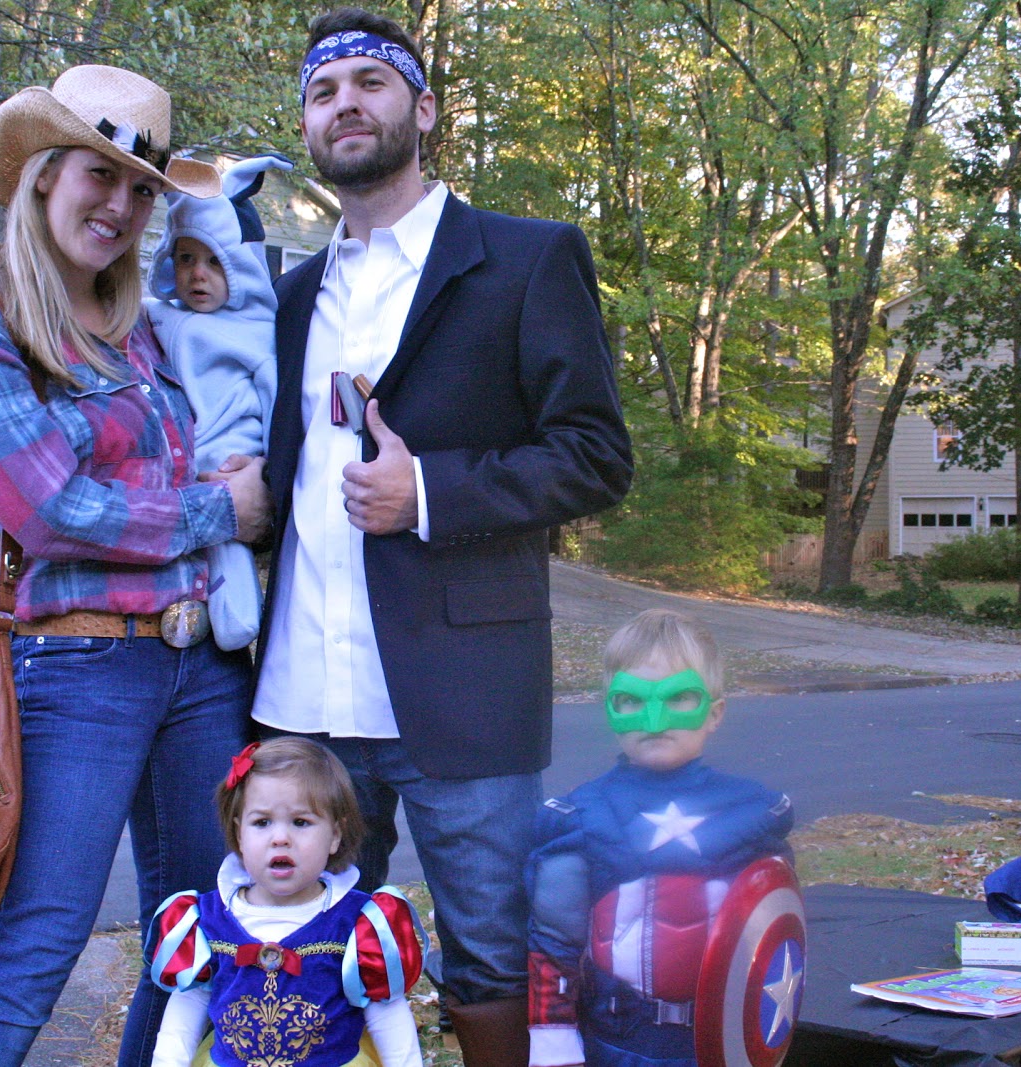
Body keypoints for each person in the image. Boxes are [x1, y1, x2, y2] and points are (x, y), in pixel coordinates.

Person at [244, 8, 633, 1064]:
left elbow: (596, 455)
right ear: (307, 126)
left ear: (421, 109)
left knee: (492, 960)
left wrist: (428, 491)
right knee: (299, 955)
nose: (345, 105)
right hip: (302, 697)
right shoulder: (288, 296)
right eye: (323, 92)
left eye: (369, 83)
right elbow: (286, 471)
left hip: (463, 696)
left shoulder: (526, 259)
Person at [0, 65, 271, 1067]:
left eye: (143, 189)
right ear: (41, 173)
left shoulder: (138, 325)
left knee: (196, 940)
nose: (121, 206)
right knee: (35, 946)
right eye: (99, 175)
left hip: (202, 664)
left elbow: (187, 451)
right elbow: (49, 508)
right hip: (79, 665)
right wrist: (223, 510)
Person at [524, 609, 795, 1067]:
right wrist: (554, 1040)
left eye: (679, 697)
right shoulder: (581, 818)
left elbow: (776, 936)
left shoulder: (754, 814)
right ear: (610, 710)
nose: (653, 720)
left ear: (715, 712)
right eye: (632, 700)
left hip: (725, 1042)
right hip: (618, 1041)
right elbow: (554, 943)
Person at [146, 738, 427, 1067]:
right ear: (239, 834)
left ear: (335, 835)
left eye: (301, 822)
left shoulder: (359, 924)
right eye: (262, 822)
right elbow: (187, 1006)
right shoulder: (206, 920)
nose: (280, 838)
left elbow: (386, 1014)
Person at [146, 154, 293, 650]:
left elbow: (277, 401)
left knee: (227, 550)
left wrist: (269, 464)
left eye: (214, 261)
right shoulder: (157, 316)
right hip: (178, 462)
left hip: (231, 455)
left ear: (240, 265)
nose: (198, 275)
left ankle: (238, 620)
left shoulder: (255, 331)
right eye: (185, 259)